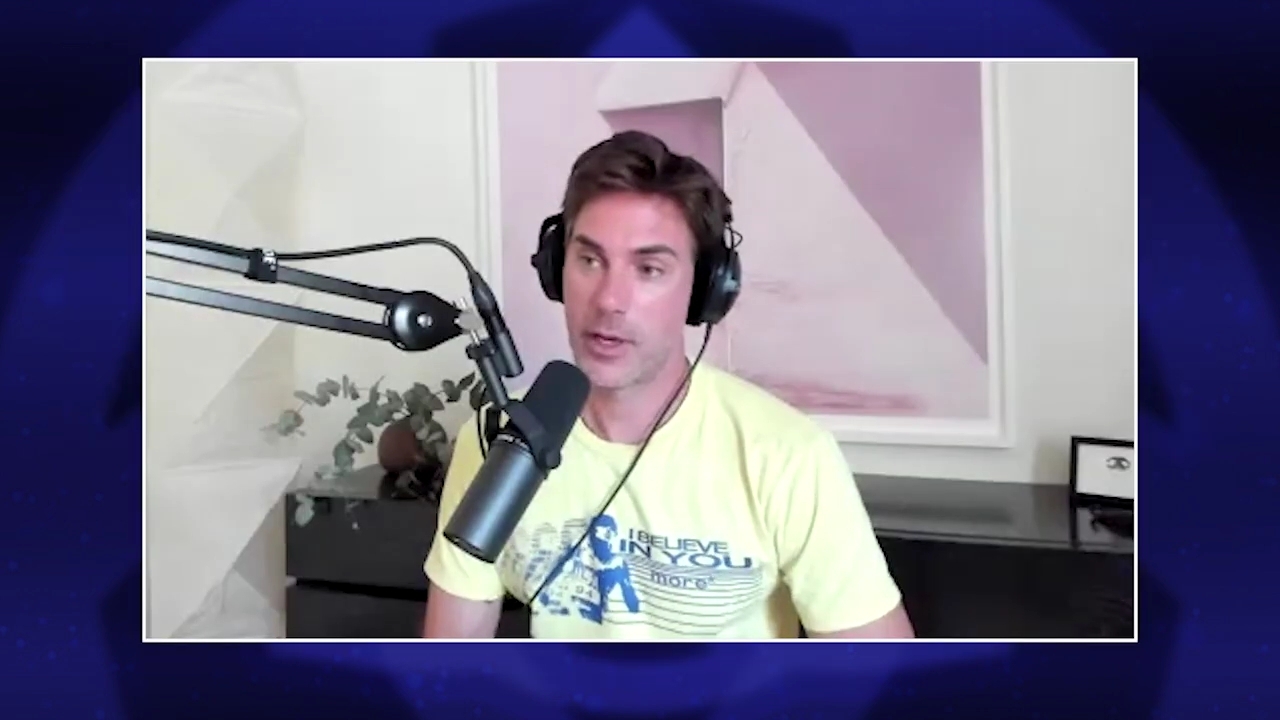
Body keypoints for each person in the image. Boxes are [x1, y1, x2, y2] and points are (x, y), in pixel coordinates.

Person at [422, 130, 915, 639]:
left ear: (704, 290)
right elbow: (447, 664)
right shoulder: (498, 440)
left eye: (649, 269)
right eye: (589, 260)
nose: (609, 299)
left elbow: (883, 674)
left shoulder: (788, 456)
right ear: (556, 268)